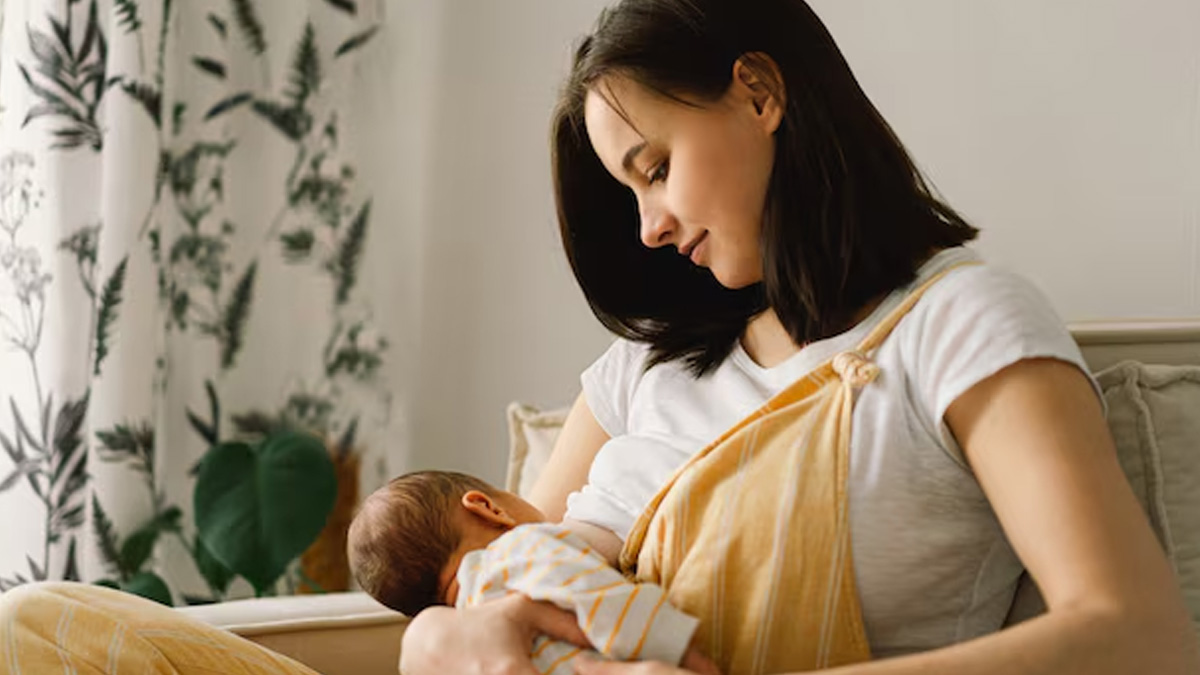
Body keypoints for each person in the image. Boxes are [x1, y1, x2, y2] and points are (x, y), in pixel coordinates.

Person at [397, 1, 1199, 674]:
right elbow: (517, 569)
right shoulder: (645, 365)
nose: (648, 227)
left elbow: (1135, 631)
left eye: (656, 168)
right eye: (631, 192)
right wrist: (430, 637)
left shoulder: (959, 325)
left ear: (759, 93)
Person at [346, 470, 716, 674]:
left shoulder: (470, 632)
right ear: (487, 507)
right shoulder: (522, 550)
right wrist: (684, 653)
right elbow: (604, 600)